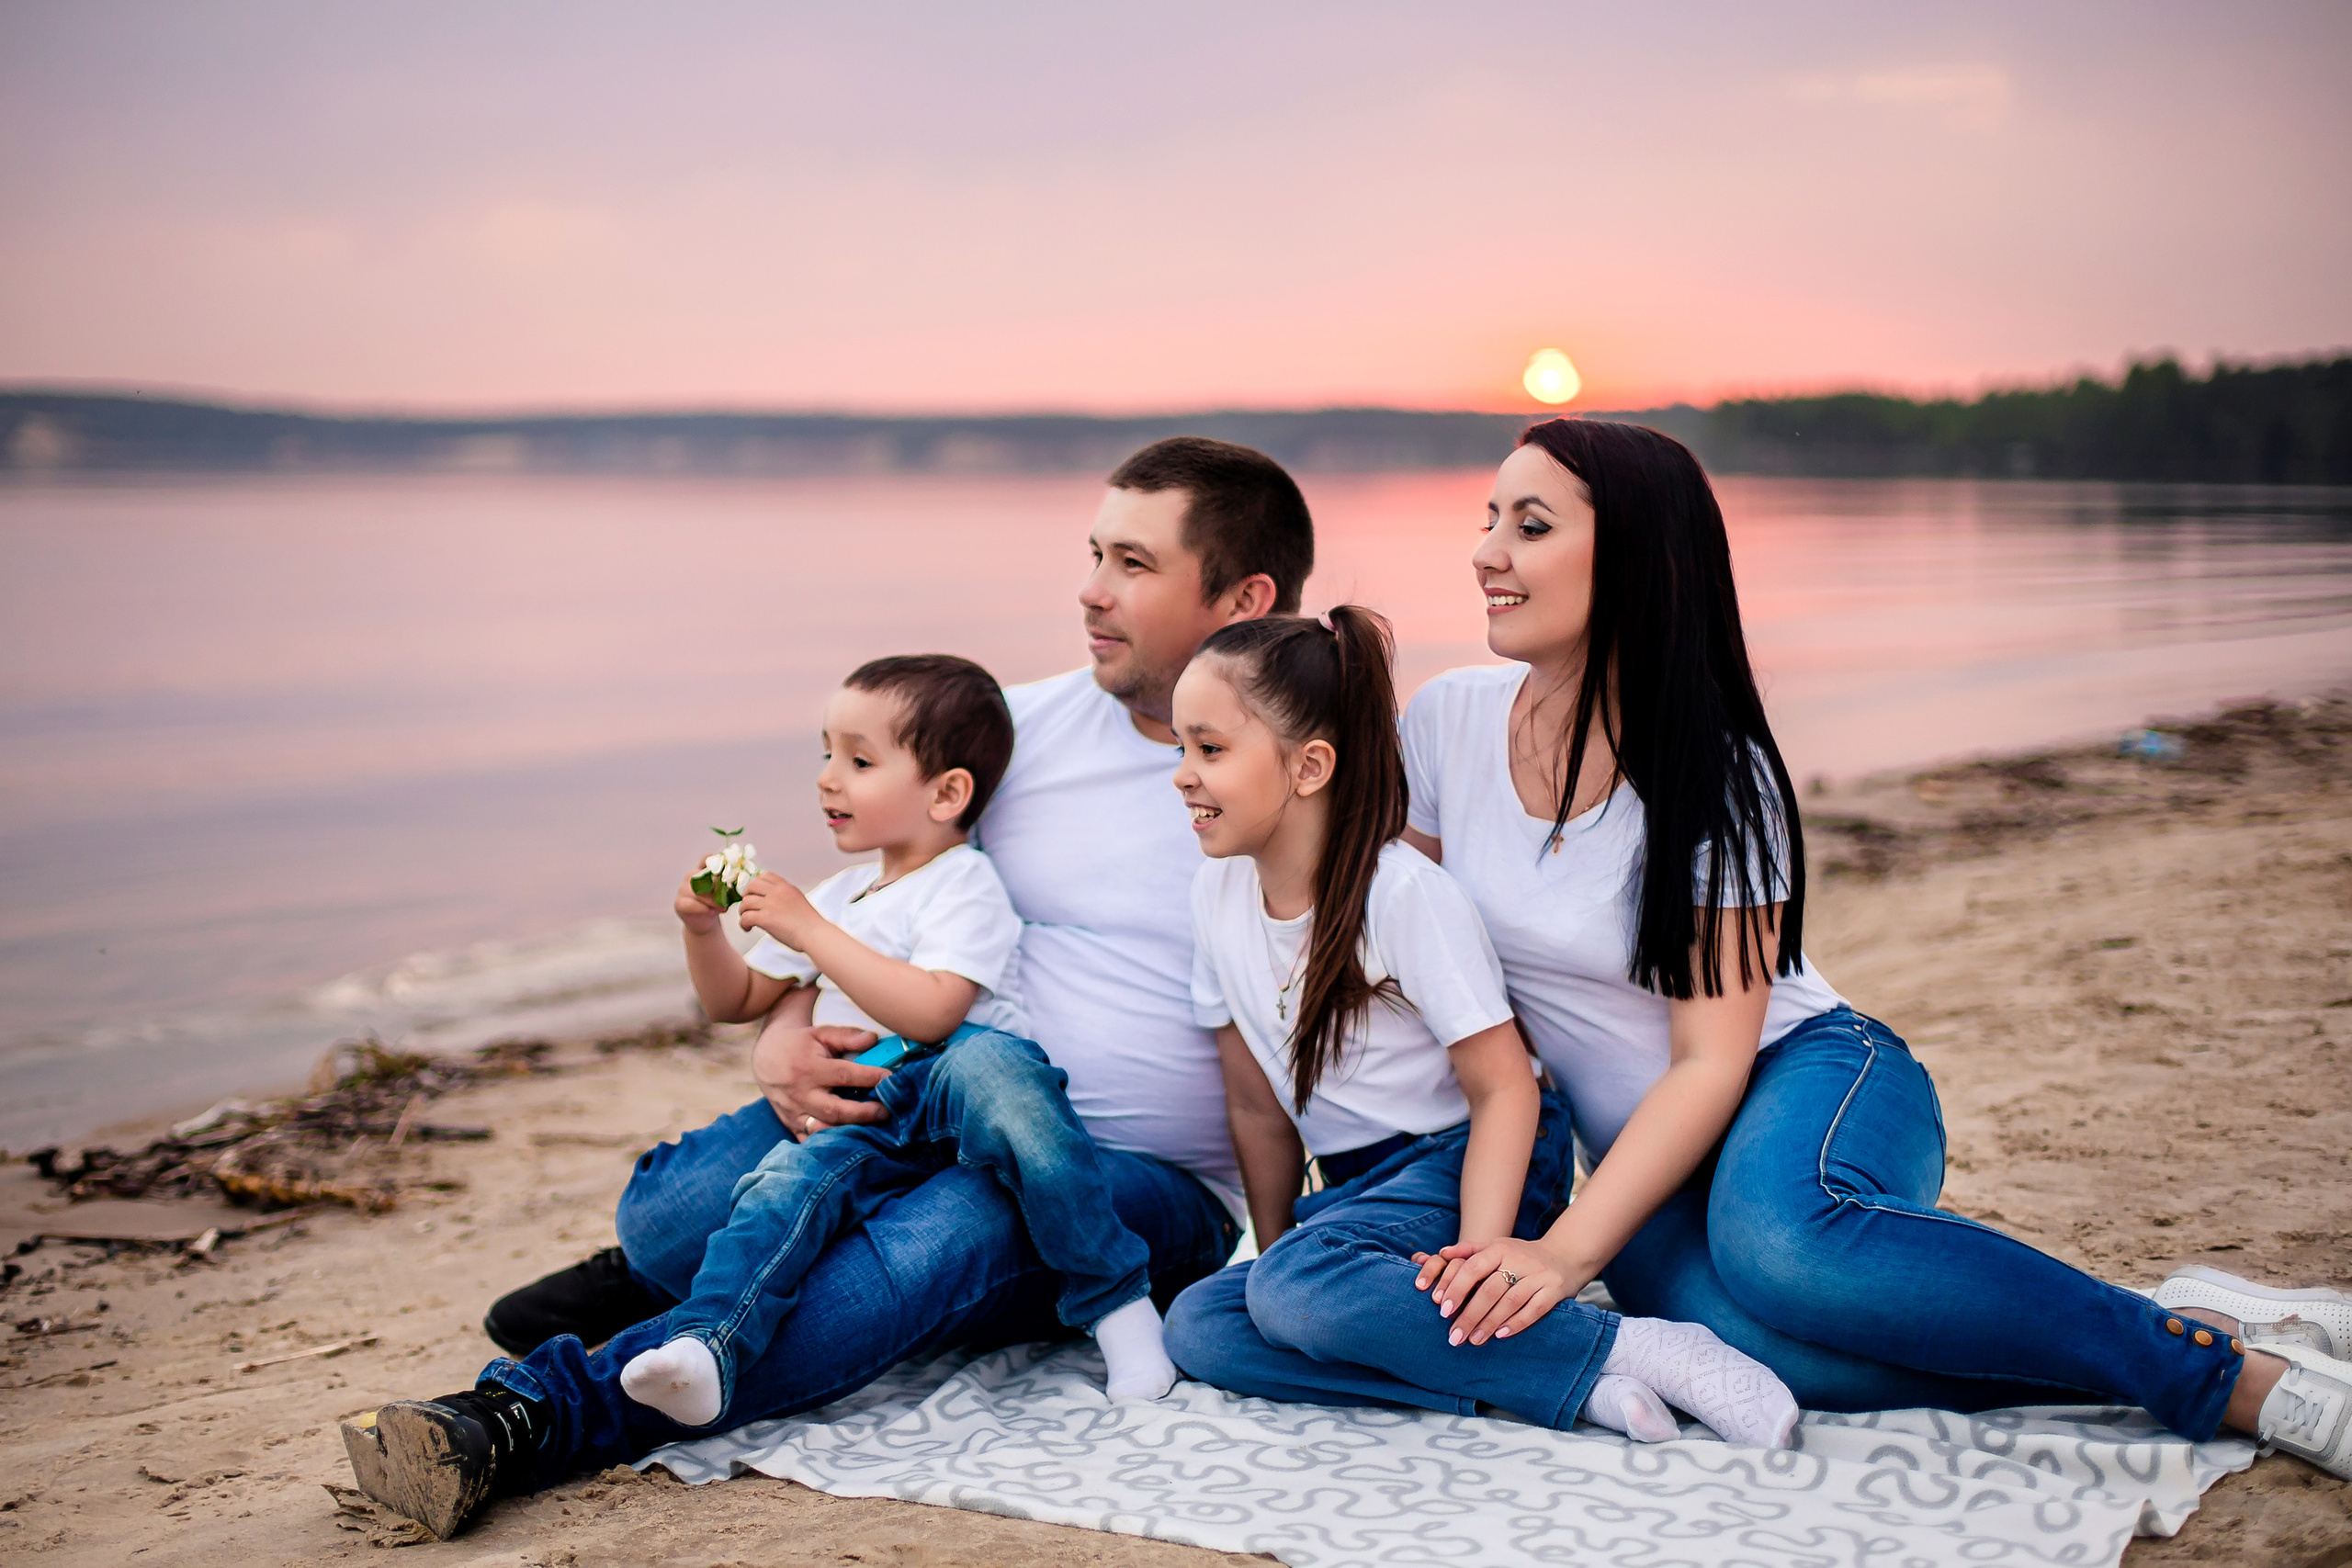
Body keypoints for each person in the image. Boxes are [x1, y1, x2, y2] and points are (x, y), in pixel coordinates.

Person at [1294, 417, 2346, 1477]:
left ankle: (2231, 1382)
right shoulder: (1447, 723)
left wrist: (1567, 1252)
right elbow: (1402, 945)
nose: (1485, 553)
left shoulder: (1715, 773)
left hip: (1806, 1079)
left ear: (1639, 560)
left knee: (1782, 1249)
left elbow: (1709, 1062)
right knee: (1757, 1347)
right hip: (1645, 1169)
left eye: (1529, 526)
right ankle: (2159, 1327)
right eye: (1487, 520)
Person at [341, 437, 1314, 1540]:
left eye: (1132, 564)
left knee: (934, 1243)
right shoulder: (1018, 732)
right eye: (1093, 554)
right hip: (914, 1099)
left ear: (1244, 598)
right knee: (669, 1214)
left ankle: (526, 1419)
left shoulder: (1297, 775)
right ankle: (674, 1273)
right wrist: (788, 1032)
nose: (1089, 590)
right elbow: (887, 895)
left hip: (1134, 1178)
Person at [1162, 607, 1798, 1446]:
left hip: (1473, 1162)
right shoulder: (1211, 897)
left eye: (1210, 749)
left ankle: (1635, 1346)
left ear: (1310, 765)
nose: (1182, 775)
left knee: (1293, 1290)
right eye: (1180, 747)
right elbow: (1254, 1107)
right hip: (1357, 1197)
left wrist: (1480, 1261)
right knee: (1203, 1324)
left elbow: (1505, 1090)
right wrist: (1277, 1256)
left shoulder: (1400, 893)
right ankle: (1558, 1381)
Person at [618, 653, 1177, 1433]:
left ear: (947, 793)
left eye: (860, 761)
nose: (827, 779)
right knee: (779, 1187)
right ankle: (706, 1345)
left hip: (958, 1094)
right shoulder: (838, 895)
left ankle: (1117, 1306)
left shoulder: (962, 881)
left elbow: (936, 1011)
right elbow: (733, 1001)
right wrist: (701, 930)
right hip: (868, 1108)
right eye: (826, 754)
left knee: (1005, 1075)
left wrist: (812, 932)